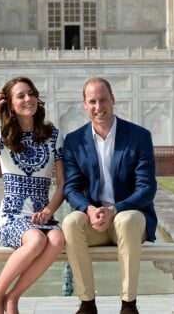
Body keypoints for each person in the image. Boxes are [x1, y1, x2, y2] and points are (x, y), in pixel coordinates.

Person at [62, 77, 157, 314]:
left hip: (131, 219)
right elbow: (71, 188)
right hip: (96, 221)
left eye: (103, 100)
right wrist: (89, 209)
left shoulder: (138, 136)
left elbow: (147, 188)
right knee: (71, 222)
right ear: (84, 104)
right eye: (92, 101)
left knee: (124, 220)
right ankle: (87, 303)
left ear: (113, 100)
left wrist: (115, 209)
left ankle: (128, 304)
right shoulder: (74, 141)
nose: (98, 107)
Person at [0, 77, 65, 314]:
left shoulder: (52, 135)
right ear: (10, 105)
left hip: (40, 217)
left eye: (31, 94)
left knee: (56, 239)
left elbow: (63, 184)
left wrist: (49, 211)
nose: (28, 99)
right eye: (21, 96)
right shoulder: (3, 135)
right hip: (12, 217)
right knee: (36, 240)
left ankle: (13, 297)